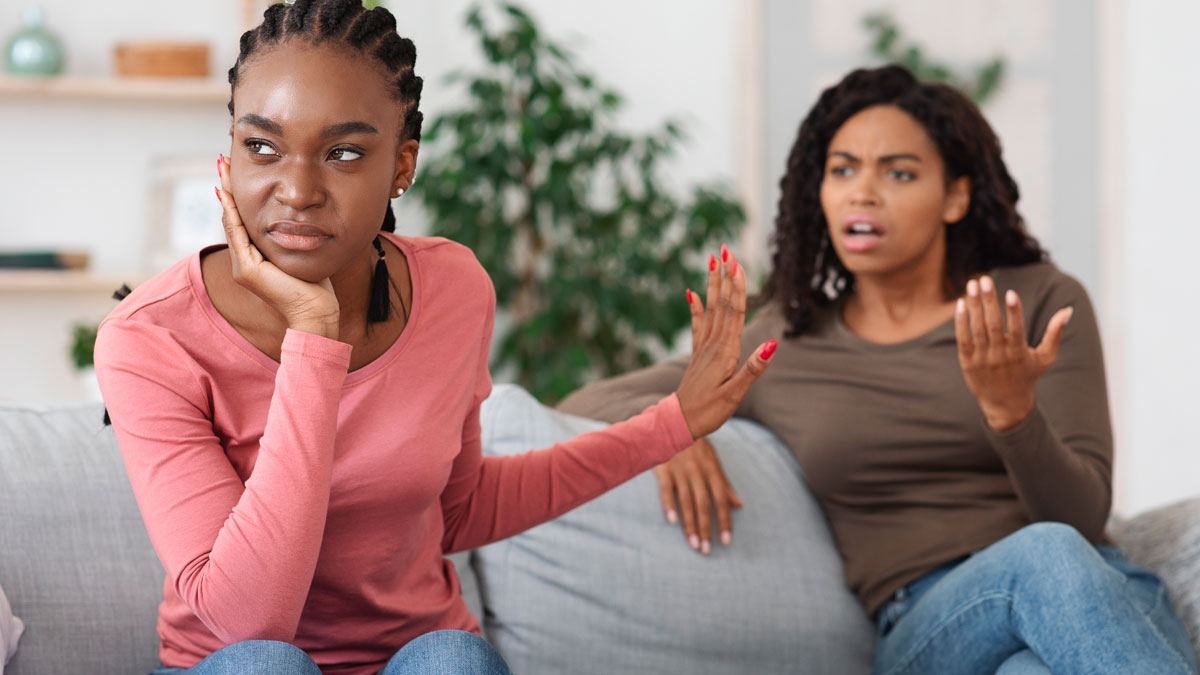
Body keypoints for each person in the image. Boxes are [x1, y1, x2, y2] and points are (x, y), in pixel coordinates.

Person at [93, 1, 775, 673]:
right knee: (264, 666)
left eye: (345, 152)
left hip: (414, 657)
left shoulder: (452, 286)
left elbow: (462, 506)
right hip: (234, 663)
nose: (297, 189)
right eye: (262, 146)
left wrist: (672, 423)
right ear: (230, 153)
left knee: (453, 660)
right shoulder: (150, 338)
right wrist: (315, 337)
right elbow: (247, 622)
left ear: (402, 165)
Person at [558, 65, 1199, 674]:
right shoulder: (787, 339)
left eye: (898, 173)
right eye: (843, 170)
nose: (862, 191)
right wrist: (666, 430)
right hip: (927, 626)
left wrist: (1014, 415)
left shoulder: (1034, 301)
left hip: (1096, 599)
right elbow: (586, 398)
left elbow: (1082, 520)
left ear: (955, 196)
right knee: (1043, 556)